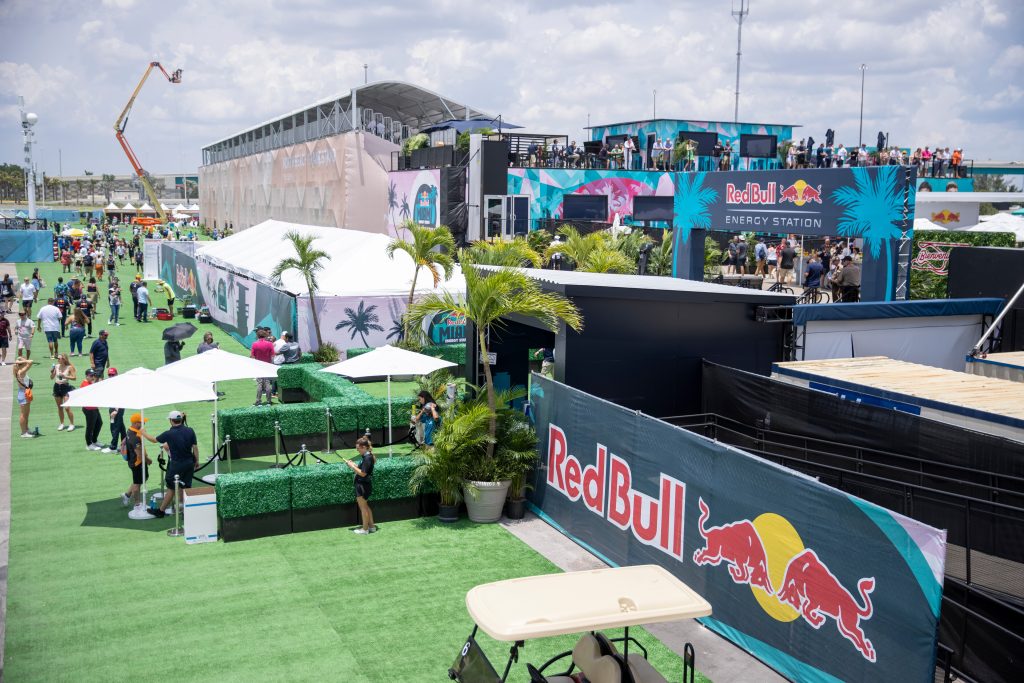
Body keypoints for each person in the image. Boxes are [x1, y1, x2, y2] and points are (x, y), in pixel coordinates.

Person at [139, 410, 198, 518]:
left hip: (176, 465)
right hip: (189, 463)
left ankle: (161, 511)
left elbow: (153, 440)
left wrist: (143, 433)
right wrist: (196, 461)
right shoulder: (190, 430)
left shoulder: (169, 433)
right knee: (186, 487)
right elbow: (195, 447)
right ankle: (187, 510)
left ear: (171, 421)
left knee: (171, 488)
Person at [346, 435, 377, 534]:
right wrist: (353, 465)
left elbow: (363, 473)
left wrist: (351, 466)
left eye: (358, 449)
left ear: (364, 447)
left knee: (363, 508)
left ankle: (365, 529)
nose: (357, 450)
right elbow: (362, 469)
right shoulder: (367, 456)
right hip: (364, 485)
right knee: (366, 506)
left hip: (362, 485)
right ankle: (371, 527)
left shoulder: (367, 457)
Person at [120, 413, 151, 507]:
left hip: (133, 461)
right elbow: (139, 453)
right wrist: (147, 459)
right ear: (136, 423)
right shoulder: (135, 437)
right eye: (142, 422)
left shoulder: (130, 430)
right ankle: (137, 504)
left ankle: (127, 495)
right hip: (138, 463)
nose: (144, 424)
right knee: (137, 484)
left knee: (141, 479)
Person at [51, 353, 77, 432]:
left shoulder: (69, 367)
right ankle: (62, 423)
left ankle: (72, 424)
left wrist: (65, 376)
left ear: (64, 359)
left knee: (67, 407)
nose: (58, 359)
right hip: (57, 386)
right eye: (57, 358)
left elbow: (74, 378)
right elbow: (52, 377)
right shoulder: (56, 366)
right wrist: (52, 372)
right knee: (60, 407)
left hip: (65, 387)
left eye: (59, 358)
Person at [80, 368, 104, 450]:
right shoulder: (84, 384)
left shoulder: (90, 383)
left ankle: (94, 440)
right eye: (91, 375)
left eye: (93, 375)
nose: (93, 377)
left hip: (94, 408)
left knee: (99, 423)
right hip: (89, 409)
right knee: (90, 427)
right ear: (87, 376)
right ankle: (89, 444)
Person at [250, 328, 275, 405]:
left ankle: (258, 401)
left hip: (259, 366)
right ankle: (268, 401)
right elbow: (273, 355)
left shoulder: (255, 344)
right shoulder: (269, 344)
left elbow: (252, 356)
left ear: (257, 336)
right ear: (264, 335)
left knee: (260, 384)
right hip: (267, 365)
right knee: (267, 383)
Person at [104, 369, 126, 453]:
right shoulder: (113, 383)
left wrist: (116, 410)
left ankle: (113, 447)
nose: (111, 376)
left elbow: (120, 397)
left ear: (117, 374)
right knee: (121, 428)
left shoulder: (118, 384)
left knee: (114, 428)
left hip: (116, 408)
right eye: (109, 375)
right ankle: (125, 446)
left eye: (113, 375)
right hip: (115, 408)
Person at [15, 358, 35, 438]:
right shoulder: (22, 371)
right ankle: (23, 433)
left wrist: (20, 360)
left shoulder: (16, 370)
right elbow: (31, 361)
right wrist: (25, 361)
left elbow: (19, 359)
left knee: (26, 414)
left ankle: (26, 429)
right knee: (23, 414)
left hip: (24, 393)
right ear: (22, 364)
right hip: (23, 394)